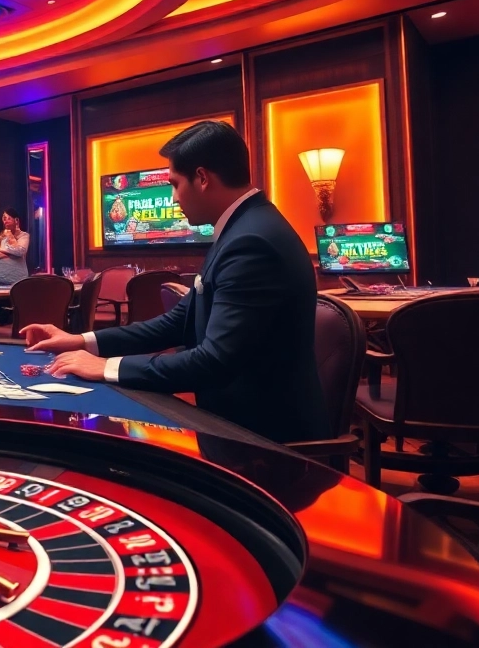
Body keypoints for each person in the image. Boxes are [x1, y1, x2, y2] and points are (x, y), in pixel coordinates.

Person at [22, 120, 329, 444]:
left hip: (265, 446)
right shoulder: (244, 228)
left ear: (202, 178)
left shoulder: (252, 242)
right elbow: (176, 323)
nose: (172, 198)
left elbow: (214, 362)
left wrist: (106, 367)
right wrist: (80, 341)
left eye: (175, 184)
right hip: (236, 427)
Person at [0, 208, 30, 285]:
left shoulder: (24, 236)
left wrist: (2, 248)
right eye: (4, 218)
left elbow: (20, 251)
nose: (5, 221)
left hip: (19, 280)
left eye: (9, 218)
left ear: (16, 220)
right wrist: (12, 254)